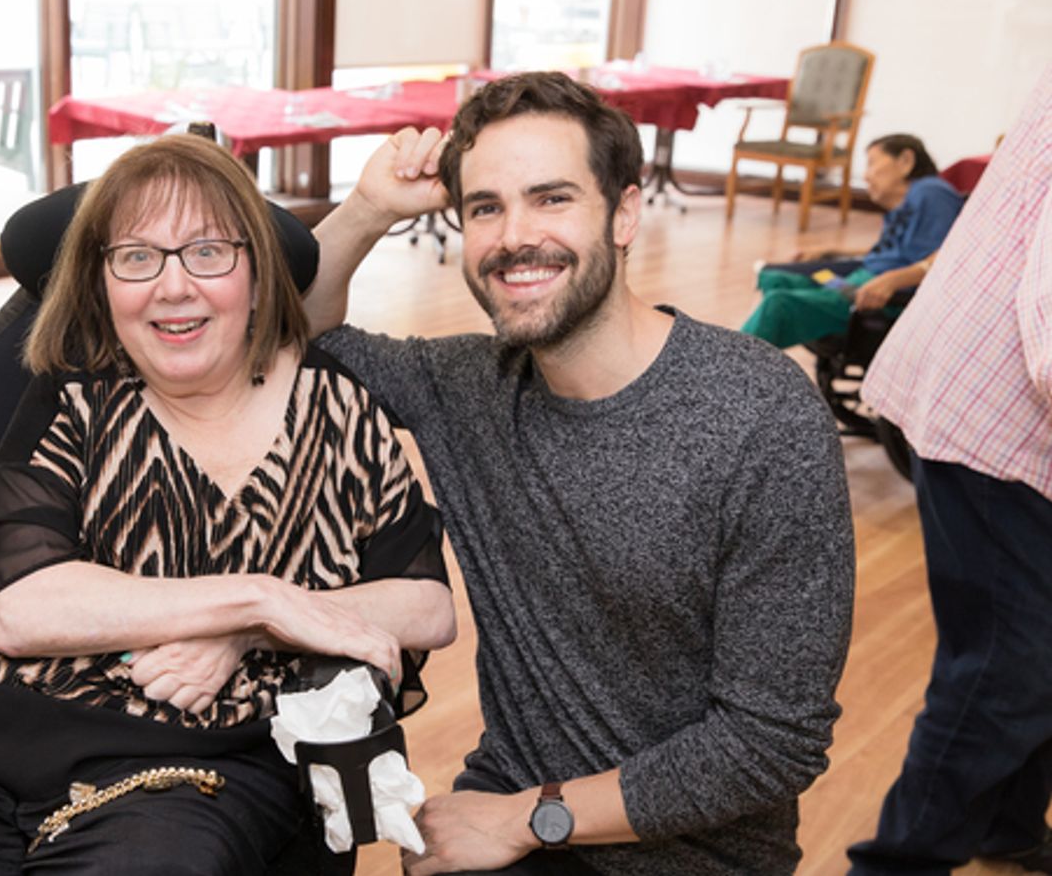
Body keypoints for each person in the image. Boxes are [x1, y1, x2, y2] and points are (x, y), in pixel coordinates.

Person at [0, 134, 456, 875]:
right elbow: (24, 609)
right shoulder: (72, 395)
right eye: (138, 257)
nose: (172, 286)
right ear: (102, 281)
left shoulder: (337, 407)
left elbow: (425, 606)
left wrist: (248, 636)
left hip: (192, 763)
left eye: (207, 252)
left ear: (255, 271)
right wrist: (259, 599)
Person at [306, 71, 855, 874]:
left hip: (689, 856)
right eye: (485, 207)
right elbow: (299, 333)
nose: (513, 236)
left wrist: (529, 820)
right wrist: (368, 209)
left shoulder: (761, 418)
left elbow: (770, 743)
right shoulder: (470, 384)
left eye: (552, 198)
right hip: (514, 806)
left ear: (625, 211)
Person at [846, 65, 1052, 875]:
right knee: (1010, 661)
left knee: (1028, 648)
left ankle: (1008, 825)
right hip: (995, 406)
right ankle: (897, 863)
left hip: (987, 390)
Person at [739, 134, 964, 349]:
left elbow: (949, 256)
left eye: (872, 163)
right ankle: (752, 359)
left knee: (780, 303)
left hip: (874, 297)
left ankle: (729, 374)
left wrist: (895, 280)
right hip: (852, 285)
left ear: (906, 160)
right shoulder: (911, 201)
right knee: (775, 278)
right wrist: (833, 250)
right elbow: (890, 251)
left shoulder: (932, 192)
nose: (865, 176)